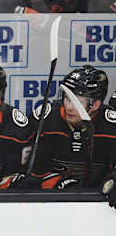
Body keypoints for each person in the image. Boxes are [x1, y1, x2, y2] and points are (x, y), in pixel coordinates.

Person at [28, 65, 116, 208]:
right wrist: (59, 184)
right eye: (67, 98)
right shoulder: (47, 119)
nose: (68, 106)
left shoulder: (111, 125)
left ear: (96, 105)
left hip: (97, 207)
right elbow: (32, 171)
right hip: (51, 204)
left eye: (77, 102)